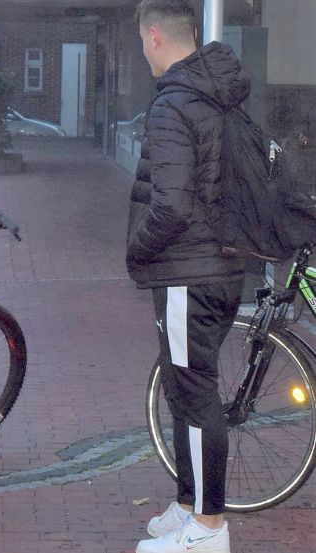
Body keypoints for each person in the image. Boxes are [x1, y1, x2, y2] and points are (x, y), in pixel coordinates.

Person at [126, 1, 248, 552]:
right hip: (218, 266)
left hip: (188, 271)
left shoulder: (175, 103)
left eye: (140, 41)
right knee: (182, 389)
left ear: (154, 36)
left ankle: (209, 528)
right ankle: (187, 506)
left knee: (195, 396)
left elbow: (170, 206)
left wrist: (138, 250)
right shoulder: (216, 95)